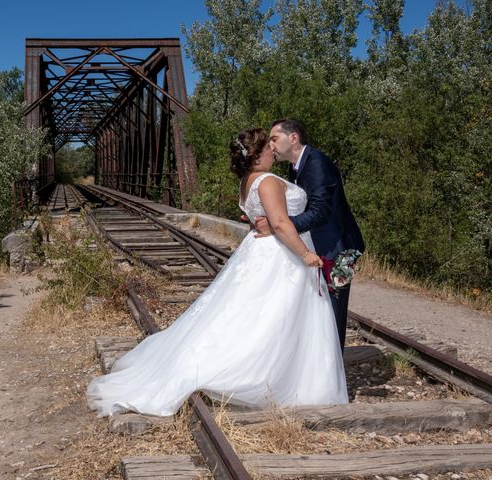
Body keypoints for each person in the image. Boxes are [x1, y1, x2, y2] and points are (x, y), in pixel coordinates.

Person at [87, 128, 348, 417]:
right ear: (257, 154)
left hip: (260, 253)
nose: (273, 151)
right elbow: (281, 223)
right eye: (268, 147)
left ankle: (281, 371)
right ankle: (276, 377)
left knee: (255, 314)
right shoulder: (269, 181)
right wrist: (307, 255)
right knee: (276, 316)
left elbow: (263, 218)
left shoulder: (247, 182)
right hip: (281, 256)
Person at [254, 119, 365, 350]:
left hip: (338, 249)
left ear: (293, 138)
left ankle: (334, 377)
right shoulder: (294, 167)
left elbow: (320, 212)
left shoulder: (316, 164)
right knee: (318, 313)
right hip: (319, 246)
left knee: (332, 315)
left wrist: (276, 225)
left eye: (275, 139)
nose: (271, 145)